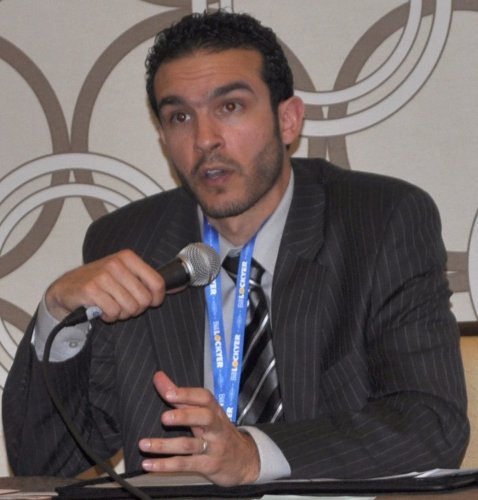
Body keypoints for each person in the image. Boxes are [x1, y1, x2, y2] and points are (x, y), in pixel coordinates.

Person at [3, 9, 469, 486]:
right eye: (180, 116)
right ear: (163, 138)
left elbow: (431, 425)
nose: (204, 139)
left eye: (230, 107)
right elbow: (44, 463)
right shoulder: (131, 245)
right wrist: (57, 313)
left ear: (288, 120)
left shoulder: (380, 223)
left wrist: (253, 455)